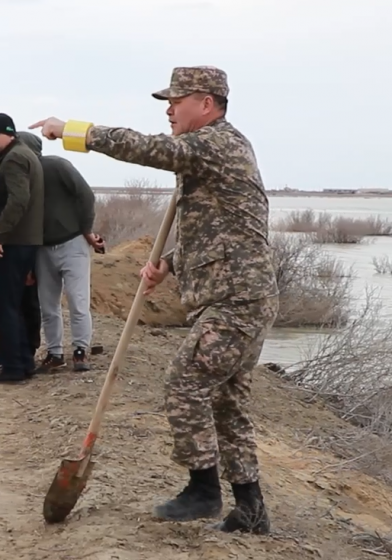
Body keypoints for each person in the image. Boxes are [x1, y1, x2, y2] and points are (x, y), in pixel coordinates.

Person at [30, 66, 279, 535]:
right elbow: (225, 228)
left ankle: (203, 489)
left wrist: (73, 131)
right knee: (228, 402)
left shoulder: (213, 143)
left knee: (184, 383)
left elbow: (145, 148)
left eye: (176, 100)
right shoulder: (214, 152)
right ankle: (251, 508)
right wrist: (169, 260)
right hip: (243, 295)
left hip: (236, 301)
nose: (168, 109)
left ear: (205, 103)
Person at [17, 131, 104, 373]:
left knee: (78, 301)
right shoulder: (19, 175)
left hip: (72, 242)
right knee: (47, 305)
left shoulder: (56, 166)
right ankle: (54, 353)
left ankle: (80, 350)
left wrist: (86, 230)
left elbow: (85, 194)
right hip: (42, 247)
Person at [0, 113, 44, 384]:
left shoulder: (15, 158)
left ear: (9, 133)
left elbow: (19, 200)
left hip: (13, 243)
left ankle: (13, 368)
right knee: (19, 304)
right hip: (25, 242)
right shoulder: (26, 154)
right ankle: (24, 362)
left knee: (6, 306)